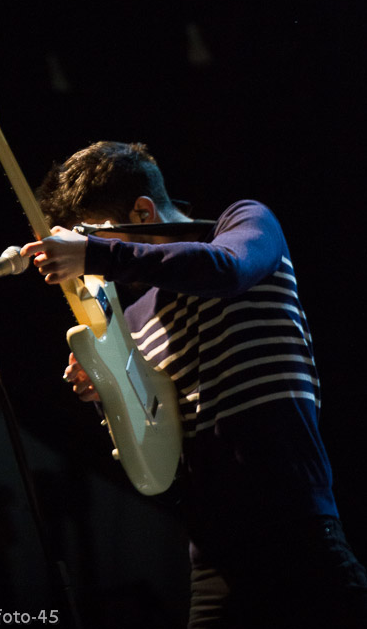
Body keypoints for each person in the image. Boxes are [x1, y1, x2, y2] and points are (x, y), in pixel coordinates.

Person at [21, 141, 367, 628]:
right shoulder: (134, 318)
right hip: (213, 558)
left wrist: (96, 252)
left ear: (143, 212)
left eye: (94, 239)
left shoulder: (244, 225)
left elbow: (227, 269)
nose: (95, 267)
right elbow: (156, 447)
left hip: (297, 531)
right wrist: (106, 390)